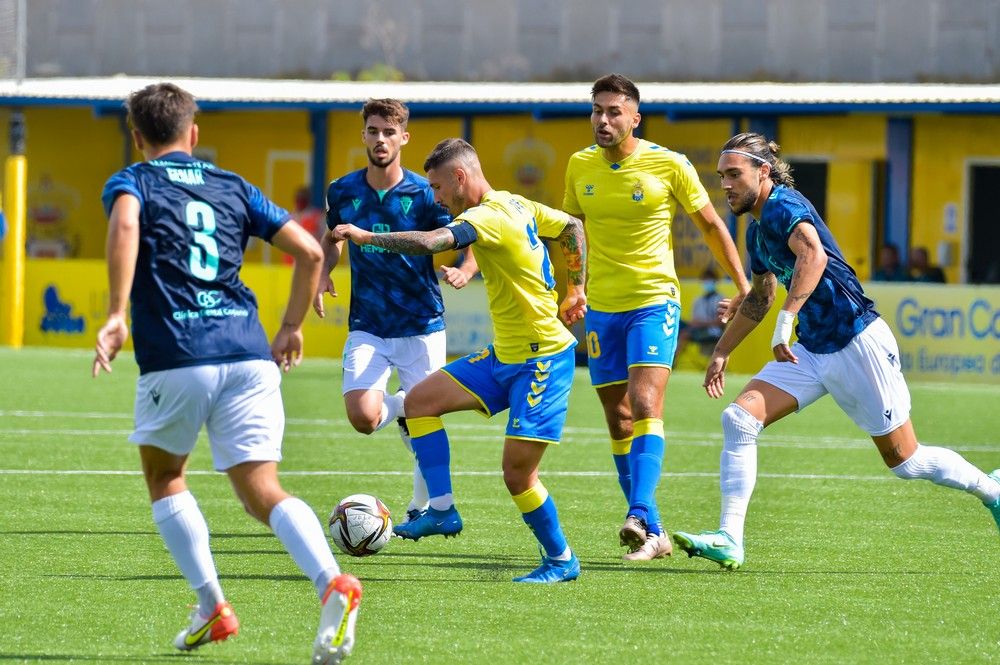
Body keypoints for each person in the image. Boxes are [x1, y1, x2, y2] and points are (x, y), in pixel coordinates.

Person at [92, 82, 361, 664]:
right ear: (194, 134)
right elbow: (312, 253)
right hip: (248, 353)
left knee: (166, 475)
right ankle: (332, 584)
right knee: (262, 490)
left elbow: (127, 226)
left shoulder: (131, 181)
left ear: (137, 138)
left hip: (179, 353)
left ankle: (212, 604)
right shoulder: (232, 184)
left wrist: (116, 314)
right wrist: (291, 327)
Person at [672, 132, 1000, 570]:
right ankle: (730, 537)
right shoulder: (755, 233)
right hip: (812, 352)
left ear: (763, 172)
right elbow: (760, 297)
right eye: (721, 176)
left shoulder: (785, 205)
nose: (725, 185)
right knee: (739, 419)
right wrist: (722, 350)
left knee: (906, 460)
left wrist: (787, 321)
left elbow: (813, 257)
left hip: (855, 341)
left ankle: (992, 491)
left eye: (734, 174)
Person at [332, 138, 588, 583]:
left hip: (543, 360)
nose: (434, 197)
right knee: (419, 402)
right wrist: (576, 288)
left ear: (460, 177)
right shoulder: (516, 203)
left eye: (436, 187)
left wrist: (367, 236)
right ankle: (443, 510)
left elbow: (432, 242)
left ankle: (561, 559)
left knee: (517, 475)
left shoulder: (485, 216)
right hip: (505, 355)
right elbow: (571, 228)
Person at [562, 73, 751, 561]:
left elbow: (711, 225)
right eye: (597, 111)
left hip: (653, 301)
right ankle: (654, 532)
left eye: (614, 112)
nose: (603, 120)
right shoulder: (578, 166)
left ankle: (639, 511)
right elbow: (572, 232)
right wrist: (575, 286)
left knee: (645, 402)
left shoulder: (669, 164)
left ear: (634, 118)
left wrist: (742, 283)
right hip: (602, 309)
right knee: (618, 418)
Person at [314, 98, 478, 525]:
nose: (381, 139)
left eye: (389, 132)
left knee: (426, 423)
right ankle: (408, 407)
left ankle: (420, 507)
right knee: (364, 418)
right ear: (364, 136)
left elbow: (470, 228)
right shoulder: (342, 190)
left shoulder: (427, 192)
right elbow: (332, 238)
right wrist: (324, 273)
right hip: (368, 323)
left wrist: (466, 267)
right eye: (373, 131)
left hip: (421, 322)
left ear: (404, 137)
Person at [676, 267, 727, 364]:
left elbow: (721, 322)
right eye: (705, 279)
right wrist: (696, 324)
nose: (707, 282)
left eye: (710, 279)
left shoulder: (721, 299)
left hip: (713, 332)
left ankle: (673, 361)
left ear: (716, 281)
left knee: (684, 334)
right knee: (678, 324)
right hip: (698, 329)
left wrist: (701, 323)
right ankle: (670, 357)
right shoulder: (698, 300)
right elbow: (695, 320)